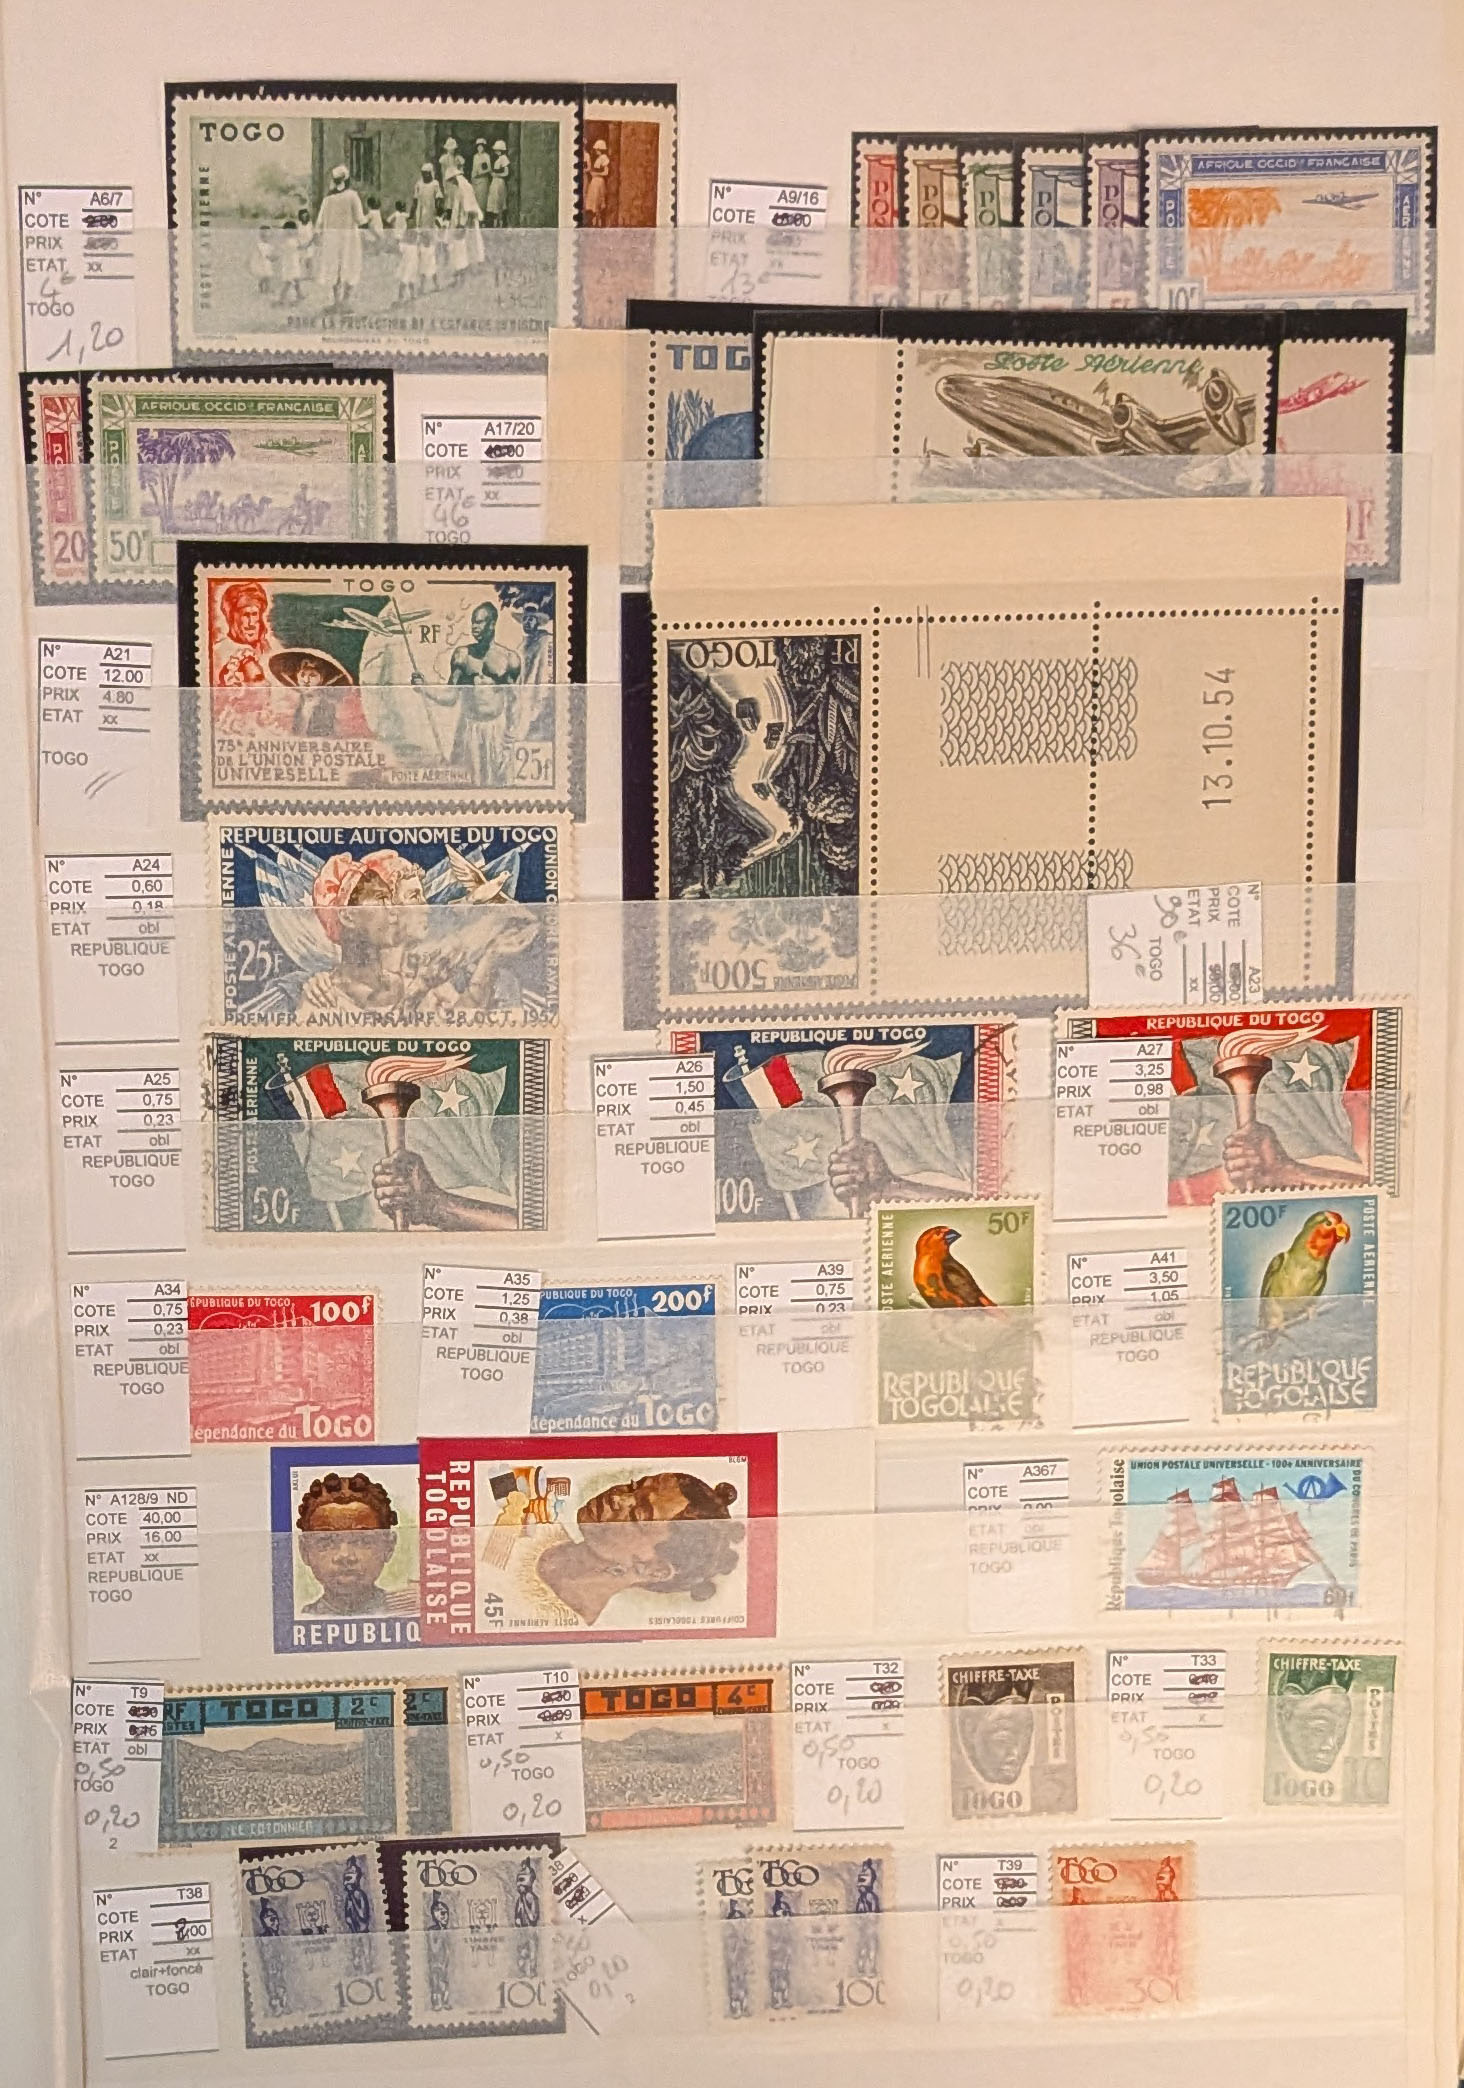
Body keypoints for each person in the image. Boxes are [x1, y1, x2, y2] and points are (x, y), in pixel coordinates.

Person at [492, 1468, 745, 1625]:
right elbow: (494, 1472)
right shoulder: (532, 1518)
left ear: (655, 1570)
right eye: (633, 1488)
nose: (617, 1497)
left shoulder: (566, 1626)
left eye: (638, 1514)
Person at [295, 1470, 417, 1618]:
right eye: (326, 1541)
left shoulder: (408, 1612)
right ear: (304, 1550)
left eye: (362, 1540)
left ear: (389, 1547)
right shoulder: (301, 1616)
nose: (345, 1556)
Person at [447, 598, 522, 785]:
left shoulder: (509, 658)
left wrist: (510, 739)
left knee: (499, 784)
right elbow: (449, 696)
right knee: (468, 784)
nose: (474, 627)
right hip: (469, 729)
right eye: (473, 622)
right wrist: (424, 687)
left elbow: (514, 700)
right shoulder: (462, 655)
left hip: (497, 730)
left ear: (492, 624)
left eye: (479, 622)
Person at [315, 164, 367, 305]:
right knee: (350, 265)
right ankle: (345, 300)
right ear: (347, 179)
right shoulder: (352, 196)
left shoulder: (327, 199)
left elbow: (319, 222)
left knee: (335, 268)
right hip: (349, 239)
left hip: (332, 238)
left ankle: (337, 300)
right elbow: (360, 219)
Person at [584, 135, 611, 227]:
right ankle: (595, 219)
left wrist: (596, 174)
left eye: (597, 149)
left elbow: (606, 172)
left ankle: (599, 220)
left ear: (600, 149)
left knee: (598, 200)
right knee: (593, 201)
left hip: (599, 181)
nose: (596, 151)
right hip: (595, 181)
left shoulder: (604, 158)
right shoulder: (599, 158)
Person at [484, 138, 511, 227]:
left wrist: (497, 175)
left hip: (499, 182)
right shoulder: (499, 158)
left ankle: (500, 223)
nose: (497, 151)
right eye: (496, 150)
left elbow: (506, 173)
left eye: (498, 150)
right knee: (494, 201)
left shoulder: (504, 158)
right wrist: (492, 173)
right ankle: (495, 223)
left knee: (499, 201)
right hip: (495, 182)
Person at [276, 220, 303, 305]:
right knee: (288, 282)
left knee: (296, 280)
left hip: (292, 263)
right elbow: (300, 247)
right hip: (291, 265)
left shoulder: (288, 240)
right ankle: (281, 298)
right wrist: (311, 242)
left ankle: (299, 295)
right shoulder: (290, 241)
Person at [250, 223, 275, 297]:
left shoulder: (266, 244)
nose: (269, 237)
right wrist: (273, 258)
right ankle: (266, 289)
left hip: (265, 263)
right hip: (263, 264)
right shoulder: (262, 245)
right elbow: (267, 256)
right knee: (267, 277)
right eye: (267, 235)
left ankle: (262, 287)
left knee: (266, 277)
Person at [471, 137, 493, 216]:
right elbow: (474, 168)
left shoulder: (486, 156)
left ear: (484, 147)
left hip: (483, 180)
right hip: (475, 180)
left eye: (481, 146)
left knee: (482, 199)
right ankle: (476, 217)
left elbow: (489, 169)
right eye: (478, 147)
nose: (480, 148)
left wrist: (481, 173)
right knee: (475, 198)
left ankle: (482, 217)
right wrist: (473, 177)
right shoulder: (475, 156)